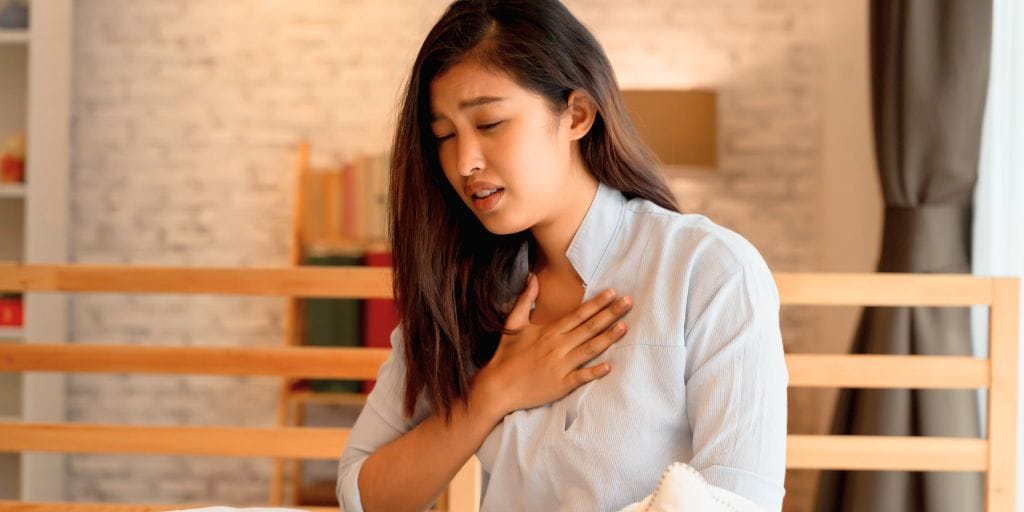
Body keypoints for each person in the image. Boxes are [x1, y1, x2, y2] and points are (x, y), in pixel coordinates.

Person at [336, 1, 788, 510]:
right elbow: (364, 494)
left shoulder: (709, 270)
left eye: (489, 123)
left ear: (576, 115)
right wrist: (493, 393)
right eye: (444, 135)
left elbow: (741, 501)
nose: (464, 162)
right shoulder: (460, 288)